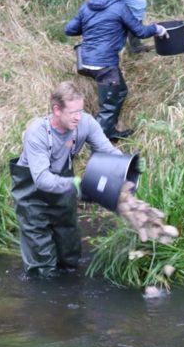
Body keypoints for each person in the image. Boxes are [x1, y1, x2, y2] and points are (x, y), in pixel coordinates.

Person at [9, 82, 123, 278]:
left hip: (62, 193)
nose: (78, 116)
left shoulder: (85, 123)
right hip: (32, 196)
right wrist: (76, 183)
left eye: (80, 110)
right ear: (56, 110)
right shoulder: (37, 132)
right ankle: (44, 300)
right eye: (72, 112)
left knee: (70, 258)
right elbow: (42, 180)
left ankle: (68, 297)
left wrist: (129, 163)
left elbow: (108, 152)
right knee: (42, 267)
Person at [66, 0, 168, 141]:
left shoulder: (87, 6)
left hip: (84, 61)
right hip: (104, 64)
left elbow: (69, 29)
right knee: (108, 106)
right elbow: (140, 32)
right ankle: (97, 142)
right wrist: (157, 29)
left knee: (120, 91)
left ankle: (110, 131)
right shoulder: (119, 7)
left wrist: (90, 27)